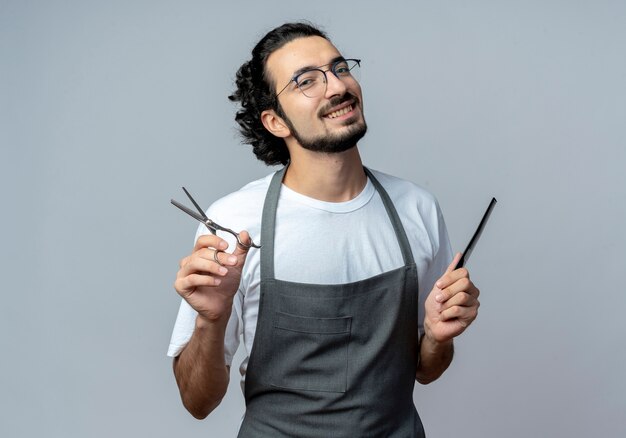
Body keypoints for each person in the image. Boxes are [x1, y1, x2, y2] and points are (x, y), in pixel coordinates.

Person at [168, 22, 480, 437]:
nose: (336, 87)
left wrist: (440, 340)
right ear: (276, 122)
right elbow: (198, 402)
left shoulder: (416, 209)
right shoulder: (235, 222)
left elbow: (425, 370)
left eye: (339, 68)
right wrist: (211, 319)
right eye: (306, 81)